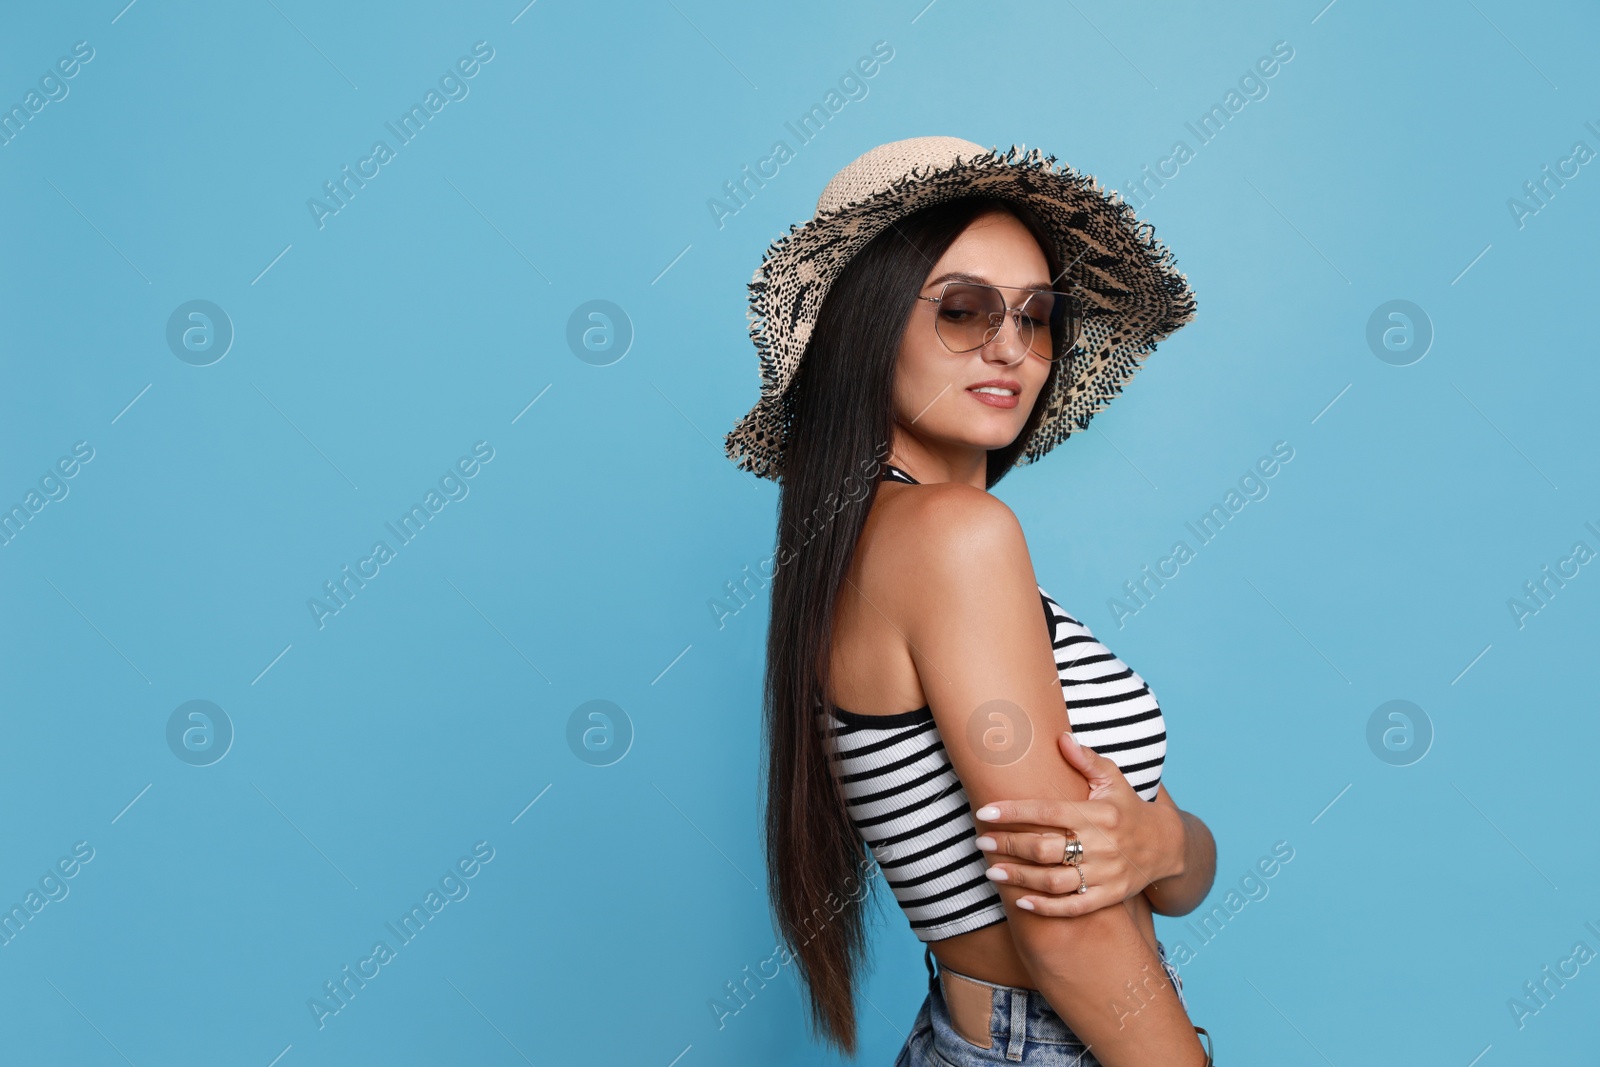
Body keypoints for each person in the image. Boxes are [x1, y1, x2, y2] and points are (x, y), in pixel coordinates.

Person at [723, 136, 1217, 1066]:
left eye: (1036, 316)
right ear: (864, 322)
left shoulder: (886, 543)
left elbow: (1177, 872)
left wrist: (1156, 842)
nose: (1011, 347)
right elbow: (1063, 924)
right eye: (963, 310)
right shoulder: (952, 539)